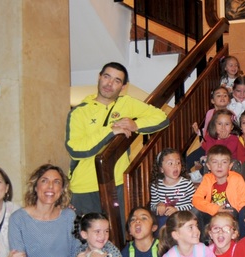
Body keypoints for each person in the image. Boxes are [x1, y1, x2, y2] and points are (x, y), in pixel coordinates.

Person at [66, 62, 169, 218]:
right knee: (85, 238)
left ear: (123, 87)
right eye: (107, 77)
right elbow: (76, 149)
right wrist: (110, 131)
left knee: (118, 235)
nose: (109, 83)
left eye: (117, 80)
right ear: (99, 77)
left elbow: (161, 118)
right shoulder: (79, 112)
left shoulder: (126, 103)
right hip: (83, 187)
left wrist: (136, 124)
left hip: (116, 184)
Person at [192, 145, 245, 230]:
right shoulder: (207, 178)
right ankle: (204, 240)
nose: (219, 166)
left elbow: (244, 203)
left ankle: (234, 237)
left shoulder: (237, 178)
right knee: (195, 210)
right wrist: (215, 209)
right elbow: (196, 199)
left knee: (232, 211)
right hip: (212, 213)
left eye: (224, 162)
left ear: (230, 166)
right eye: (215, 162)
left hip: (231, 215)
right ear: (208, 166)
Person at [150, 148, 196, 232]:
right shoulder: (155, 186)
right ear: (161, 169)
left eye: (178, 163)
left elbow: (194, 204)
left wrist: (177, 209)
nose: (175, 166)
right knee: (158, 223)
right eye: (170, 163)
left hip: (183, 218)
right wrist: (158, 206)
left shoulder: (186, 183)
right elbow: (152, 206)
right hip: (165, 220)